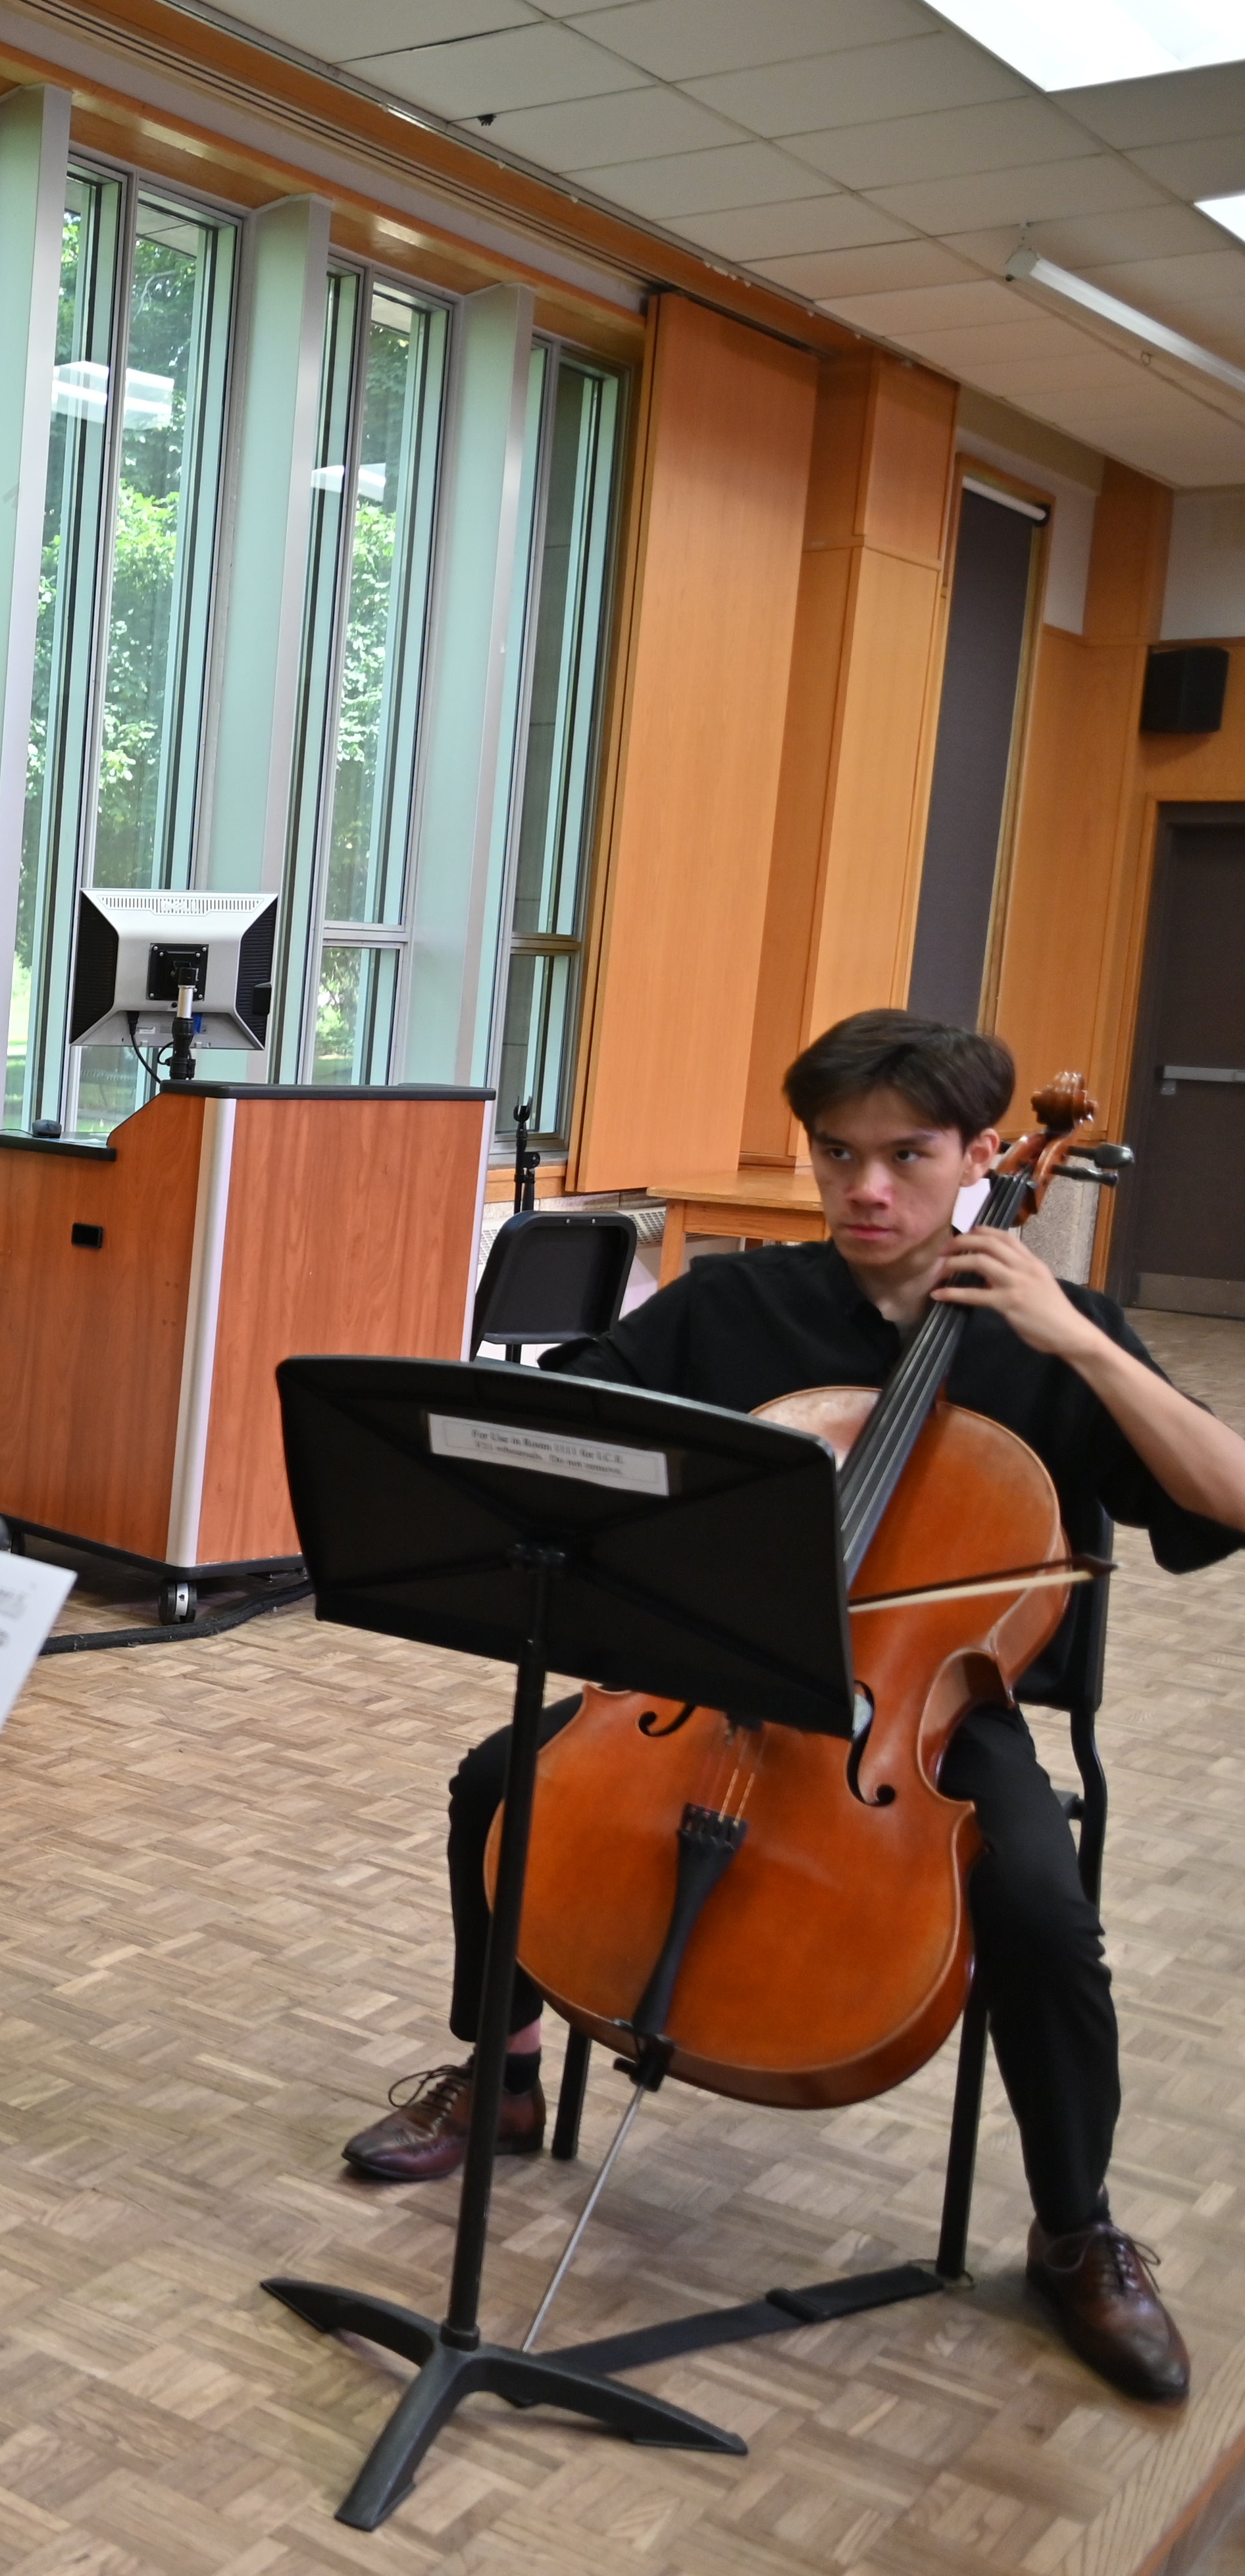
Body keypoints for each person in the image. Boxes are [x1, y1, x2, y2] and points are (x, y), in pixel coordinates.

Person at [339, 1010, 1245, 2404]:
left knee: (1048, 1921)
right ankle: (504, 2071)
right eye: (838, 1154)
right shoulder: (739, 1305)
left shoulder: (1052, 1340)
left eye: (909, 1155)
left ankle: (1077, 2230)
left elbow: (1226, 1494)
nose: (868, 1189)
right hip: (718, 1666)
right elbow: (581, 1415)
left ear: (981, 1159)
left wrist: (1084, 1341)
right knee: (498, 1778)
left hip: (928, 1711)